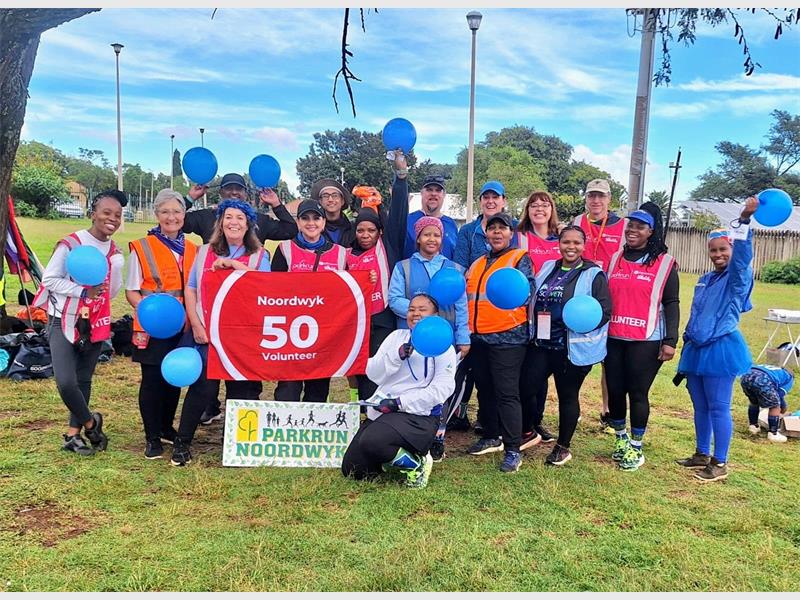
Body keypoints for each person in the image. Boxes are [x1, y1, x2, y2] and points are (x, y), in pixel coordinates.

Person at [171, 199, 271, 466]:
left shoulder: (261, 256)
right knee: (202, 388)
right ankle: (183, 442)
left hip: (243, 335)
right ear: (220, 222)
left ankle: (239, 445)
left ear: (249, 223)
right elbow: (191, 289)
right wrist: (196, 323)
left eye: (240, 217)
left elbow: (265, 290)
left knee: (242, 390)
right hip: (207, 332)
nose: (233, 222)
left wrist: (237, 266)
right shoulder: (204, 252)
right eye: (228, 217)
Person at [35, 190, 127, 456]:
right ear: (93, 213)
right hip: (62, 318)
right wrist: (83, 291)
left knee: (83, 379)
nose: (112, 219)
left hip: (95, 322)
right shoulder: (72, 243)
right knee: (65, 381)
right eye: (106, 213)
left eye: (118, 215)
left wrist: (116, 269)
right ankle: (91, 423)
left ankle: (73, 436)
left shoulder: (113, 251)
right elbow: (49, 280)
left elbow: (109, 293)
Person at [675, 197, 758, 482]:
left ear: (732, 249)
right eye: (713, 250)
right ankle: (701, 452)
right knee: (700, 405)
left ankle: (720, 462)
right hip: (697, 349)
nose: (718, 254)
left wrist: (744, 222)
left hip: (720, 349)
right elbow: (697, 312)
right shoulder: (706, 279)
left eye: (723, 249)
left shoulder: (737, 279)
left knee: (718, 406)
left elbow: (744, 259)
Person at [341, 293, 457, 489]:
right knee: (353, 469)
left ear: (436, 316)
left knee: (373, 441)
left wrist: (400, 402)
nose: (415, 314)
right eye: (412, 310)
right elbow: (374, 373)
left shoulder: (443, 347)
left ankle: (416, 465)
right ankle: (392, 456)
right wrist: (397, 356)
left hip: (418, 416)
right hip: (384, 412)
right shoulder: (396, 337)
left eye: (422, 310)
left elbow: (442, 389)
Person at [523, 225, 612, 466]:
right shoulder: (549, 267)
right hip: (541, 343)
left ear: (584, 245)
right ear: (559, 244)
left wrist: (582, 322)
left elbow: (604, 311)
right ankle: (529, 431)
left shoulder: (594, 274)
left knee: (567, 396)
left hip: (571, 348)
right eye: (566, 242)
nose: (571, 247)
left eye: (576, 243)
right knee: (526, 387)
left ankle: (563, 446)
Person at [604, 202, 680, 471]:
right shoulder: (615, 258)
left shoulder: (665, 263)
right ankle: (621, 440)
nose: (633, 230)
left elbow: (671, 302)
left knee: (637, 392)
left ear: (651, 232)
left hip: (646, 339)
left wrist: (671, 340)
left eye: (640, 226)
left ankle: (636, 447)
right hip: (614, 336)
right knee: (614, 390)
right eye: (630, 225)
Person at [388, 215, 470, 461]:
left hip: (445, 341)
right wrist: (420, 311)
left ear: (442, 238)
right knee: (413, 384)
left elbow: (461, 305)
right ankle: (411, 433)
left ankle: (438, 436)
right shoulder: (403, 267)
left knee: (441, 388)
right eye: (427, 234)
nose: (431, 239)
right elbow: (394, 299)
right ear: (418, 238)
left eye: (436, 235)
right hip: (413, 339)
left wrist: (463, 337)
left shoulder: (454, 270)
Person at [125, 189, 197, 459]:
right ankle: (151, 436)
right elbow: (132, 291)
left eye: (177, 212)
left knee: (174, 379)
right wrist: (150, 311)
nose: (171, 217)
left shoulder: (193, 249)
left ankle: (167, 426)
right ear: (156, 215)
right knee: (153, 380)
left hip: (183, 327)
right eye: (165, 212)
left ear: (184, 215)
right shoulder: (142, 248)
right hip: (153, 326)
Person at [465, 212, 534, 473]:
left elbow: (527, 293)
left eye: (502, 228)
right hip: (479, 337)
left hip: (508, 337)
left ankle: (513, 449)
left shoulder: (519, 258)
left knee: (507, 394)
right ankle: (491, 435)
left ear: (511, 233)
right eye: (491, 228)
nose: (496, 233)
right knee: (485, 389)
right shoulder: (478, 262)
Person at [452, 180, 518, 434]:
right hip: (472, 308)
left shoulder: (513, 231)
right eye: (486, 197)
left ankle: (491, 420)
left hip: (503, 314)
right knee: (471, 367)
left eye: (495, 197)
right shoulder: (468, 231)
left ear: (503, 200)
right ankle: (460, 413)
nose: (490, 201)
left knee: (499, 375)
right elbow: (459, 268)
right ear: (480, 201)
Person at [346, 154, 410, 401]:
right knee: (358, 366)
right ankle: (359, 406)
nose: (365, 234)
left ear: (379, 231)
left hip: (382, 316)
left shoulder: (387, 246)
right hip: (356, 319)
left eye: (370, 230)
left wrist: (401, 178)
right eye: (360, 230)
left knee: (379, 366)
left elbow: (398, 214)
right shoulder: (347, 253)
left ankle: (375, 410)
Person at [272, 199, 347, 402]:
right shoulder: (284, 249)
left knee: (319, 388)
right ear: (298, 222)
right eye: (305, 218)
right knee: (288, 387)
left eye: (316, 218)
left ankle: (311, 427)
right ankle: (286, 429)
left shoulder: (340, 253)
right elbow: (272, 290)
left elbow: (347, 292)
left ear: (323, 222)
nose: (311, 223)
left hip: (324, 332)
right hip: (290, 332)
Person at [572, 178, 627, 432]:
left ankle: (607, 410)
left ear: (609, 199)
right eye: (591, 196)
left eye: (600, 196)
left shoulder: (623, 225)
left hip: (610, 292)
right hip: (580, 292)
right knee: (575, 352)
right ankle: (573, 404)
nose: (595, 201)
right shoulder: (577, 223)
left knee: (609, 359)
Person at [516, 190, 563, 445]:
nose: (539, 209)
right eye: (533, 205)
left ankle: (537, 421)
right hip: (523, 313)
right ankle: (524, 422)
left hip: (549, 316)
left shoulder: (560, 240)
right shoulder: (520, 237)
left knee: (542, 369)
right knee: (527, 371)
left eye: (544, 205)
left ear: (551, 209)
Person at [184, 173, 298, 244]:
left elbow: (290, 230)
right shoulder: (206, 217)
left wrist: (276, 204)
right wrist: (190, 199)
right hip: (215, 280)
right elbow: (177, 222)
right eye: (229, 188)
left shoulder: (260, 220)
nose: (234, 192)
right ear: (220, 192)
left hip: (250, 280)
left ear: (246, 193)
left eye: (239, 189)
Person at [402, 174, 459, 260]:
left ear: (444, 195)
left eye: (438, 190)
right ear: (421, 193)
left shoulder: (451, 224)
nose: (433, 193)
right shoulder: (407, 221)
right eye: (429, 190)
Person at [742, 362, 793, 443]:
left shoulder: (774, 369)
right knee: (775, 406)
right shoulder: (789, 378)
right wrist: (783, 408)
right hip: (763, 379)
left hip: (746, 375)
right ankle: (773, 433)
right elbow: (779, 396)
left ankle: (753, 426)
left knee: (754, 402)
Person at [310, 178, 355, 247]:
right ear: (320, 201)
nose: (330, 200)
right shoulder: (313, 228)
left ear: (342, 201)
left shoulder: (353, 228)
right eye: (325, 196)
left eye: (335, 195)